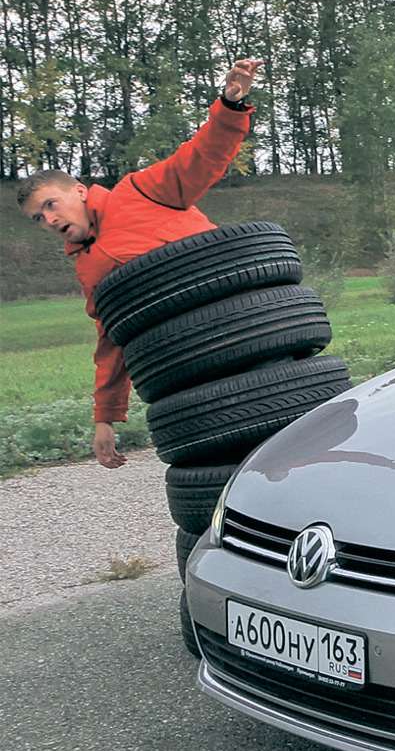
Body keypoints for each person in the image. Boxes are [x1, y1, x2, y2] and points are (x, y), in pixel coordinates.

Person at [16, 57, 263, 469]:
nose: (50, 220)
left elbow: (199, 159)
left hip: (245, 322)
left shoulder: (138, 192)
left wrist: (230, 105)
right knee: (228, 456)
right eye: (38, 219)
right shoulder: (89, 267)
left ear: (79, 191)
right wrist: (105, 418)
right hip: (188, 355)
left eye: (51, 205)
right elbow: (112, 338)